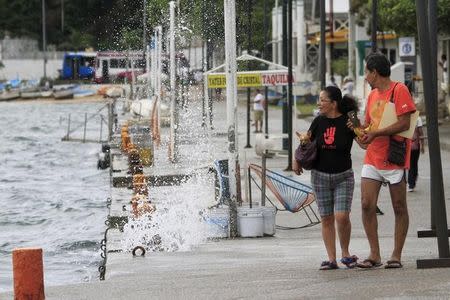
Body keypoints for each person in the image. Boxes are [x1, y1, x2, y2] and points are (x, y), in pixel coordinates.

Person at [354, 52, 416, 269]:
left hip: (393, 157)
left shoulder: (399, 90)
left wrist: (377, 133)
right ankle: (374, 254)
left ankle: (396, 254)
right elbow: (369, 126)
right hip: (373, 156)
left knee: (399, 206)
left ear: (375, 72)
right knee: (365, 204)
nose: (365, 77)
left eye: (366, 72)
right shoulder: (372, 96)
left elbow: (405, 123)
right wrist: (360, 133)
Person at [294, 86, 359, 270]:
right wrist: (296, 159)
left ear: (333, 103)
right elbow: (306, 141)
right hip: (320, 176)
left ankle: (345, 253)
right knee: (327, 218)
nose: (319, 103)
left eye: (322, 100)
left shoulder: (348, 120)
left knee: (342, 216)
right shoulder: (318, 121)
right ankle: (332, 259)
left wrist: (357, 126)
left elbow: (364, 143)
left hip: (343, 176)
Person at [407, 116, 425, 192]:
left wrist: (422, 146)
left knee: (411, 164)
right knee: (413, 163)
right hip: (414, 146)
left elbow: (421, 133)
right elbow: (421, 133)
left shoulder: (407, 116)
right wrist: (422, 146)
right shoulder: (417, 118)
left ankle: (411, 183)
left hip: (410, 146)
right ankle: (412, 182)